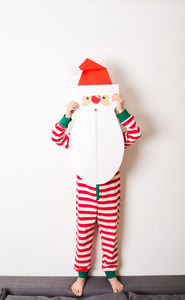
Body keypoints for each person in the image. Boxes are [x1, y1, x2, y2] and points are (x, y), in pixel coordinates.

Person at [51, 93, 142, 296]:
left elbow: (134, 133)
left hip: (110, 195)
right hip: (86, 196)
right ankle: (81, 274)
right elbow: (56, 137)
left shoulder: (115, 140)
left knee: (110, 234)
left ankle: (110, 273)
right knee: (83, 235)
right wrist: (68, 116)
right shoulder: (77, 141)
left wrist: (120, 111)